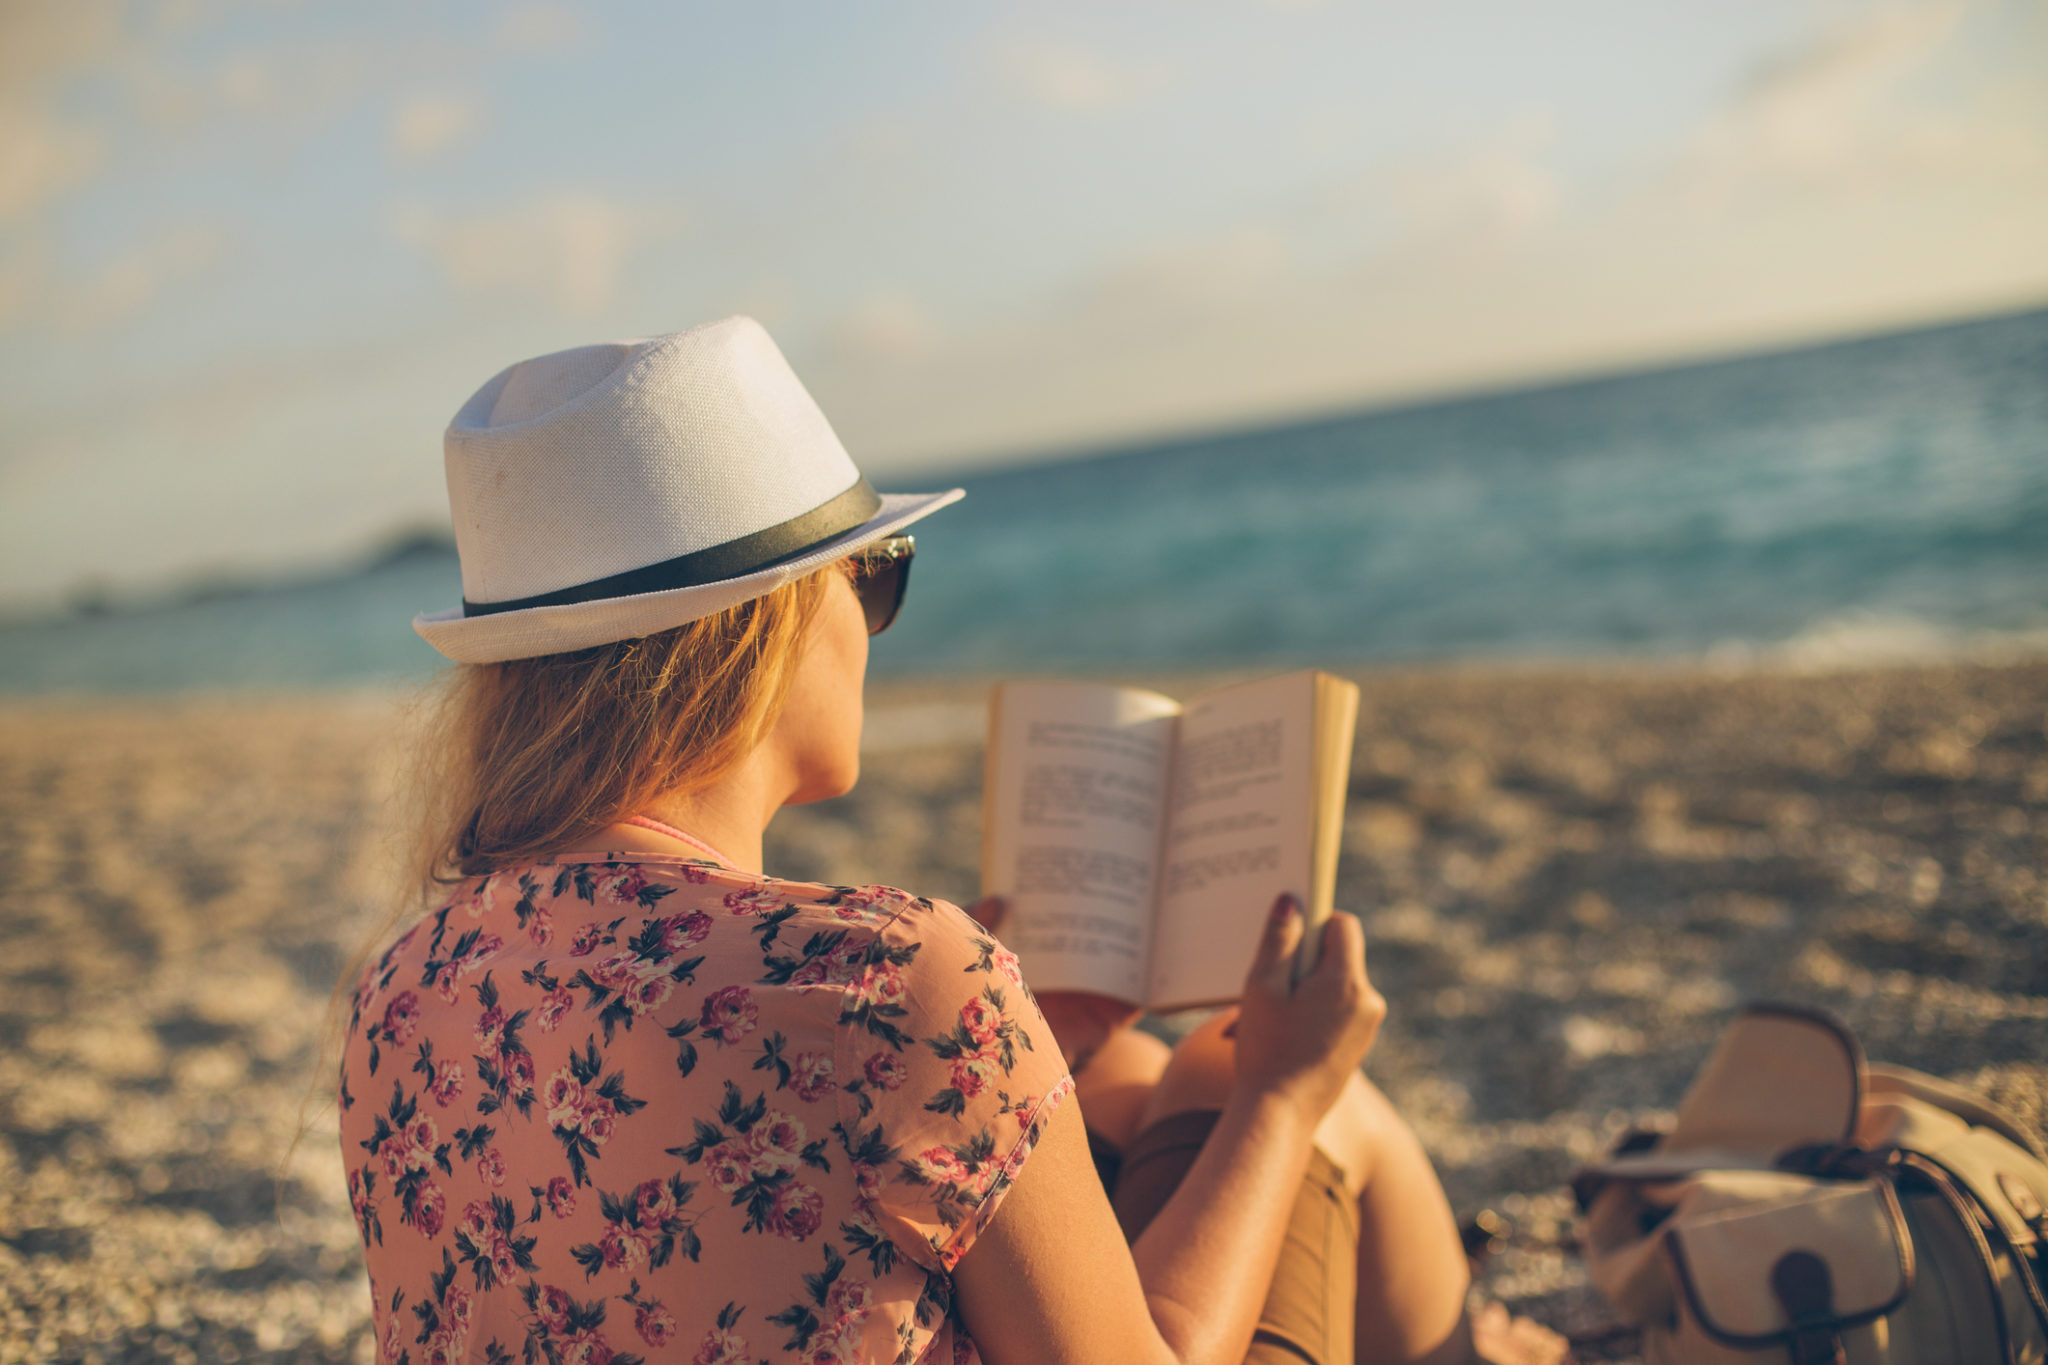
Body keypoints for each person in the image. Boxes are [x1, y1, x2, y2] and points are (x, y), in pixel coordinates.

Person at [337, 317, 1565, 1365]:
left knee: (1128, 1081)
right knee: (1261, 1084)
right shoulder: (888, 977)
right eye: (873, 573)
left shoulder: (397, 993)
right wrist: (1282, 1102)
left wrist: (1028, 1061)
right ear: (765, 630)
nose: (875, 622)